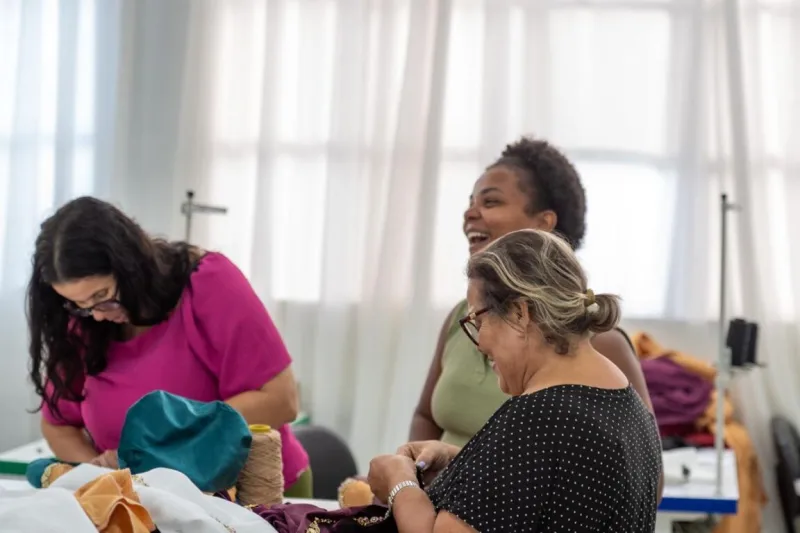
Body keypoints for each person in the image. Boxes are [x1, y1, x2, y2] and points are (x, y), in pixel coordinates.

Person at [368, 229, 663, 532]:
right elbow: (561, 488)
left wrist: (398, 483)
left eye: (479, 322)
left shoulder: (537, 417)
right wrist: (465, 464)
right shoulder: (627, 402)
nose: (479, 344)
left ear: (521, 313)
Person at [27, 196, 312, 497]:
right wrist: (100, 476)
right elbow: (58, 426)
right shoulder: (85, 324)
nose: (97, 313)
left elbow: (281, 400)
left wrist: (160, 446)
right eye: (79, 304)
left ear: (130, 266)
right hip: (151, 502)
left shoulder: (208, 285)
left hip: (257, 496)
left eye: (103, 294)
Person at [409, 136, 653, 446]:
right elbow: (425, 416)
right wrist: (412, 475)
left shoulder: (599, 342)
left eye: (490, 201)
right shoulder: (461, 318)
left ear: (543, 225)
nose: (469, 213)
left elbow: (643, 474)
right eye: (470, 202)